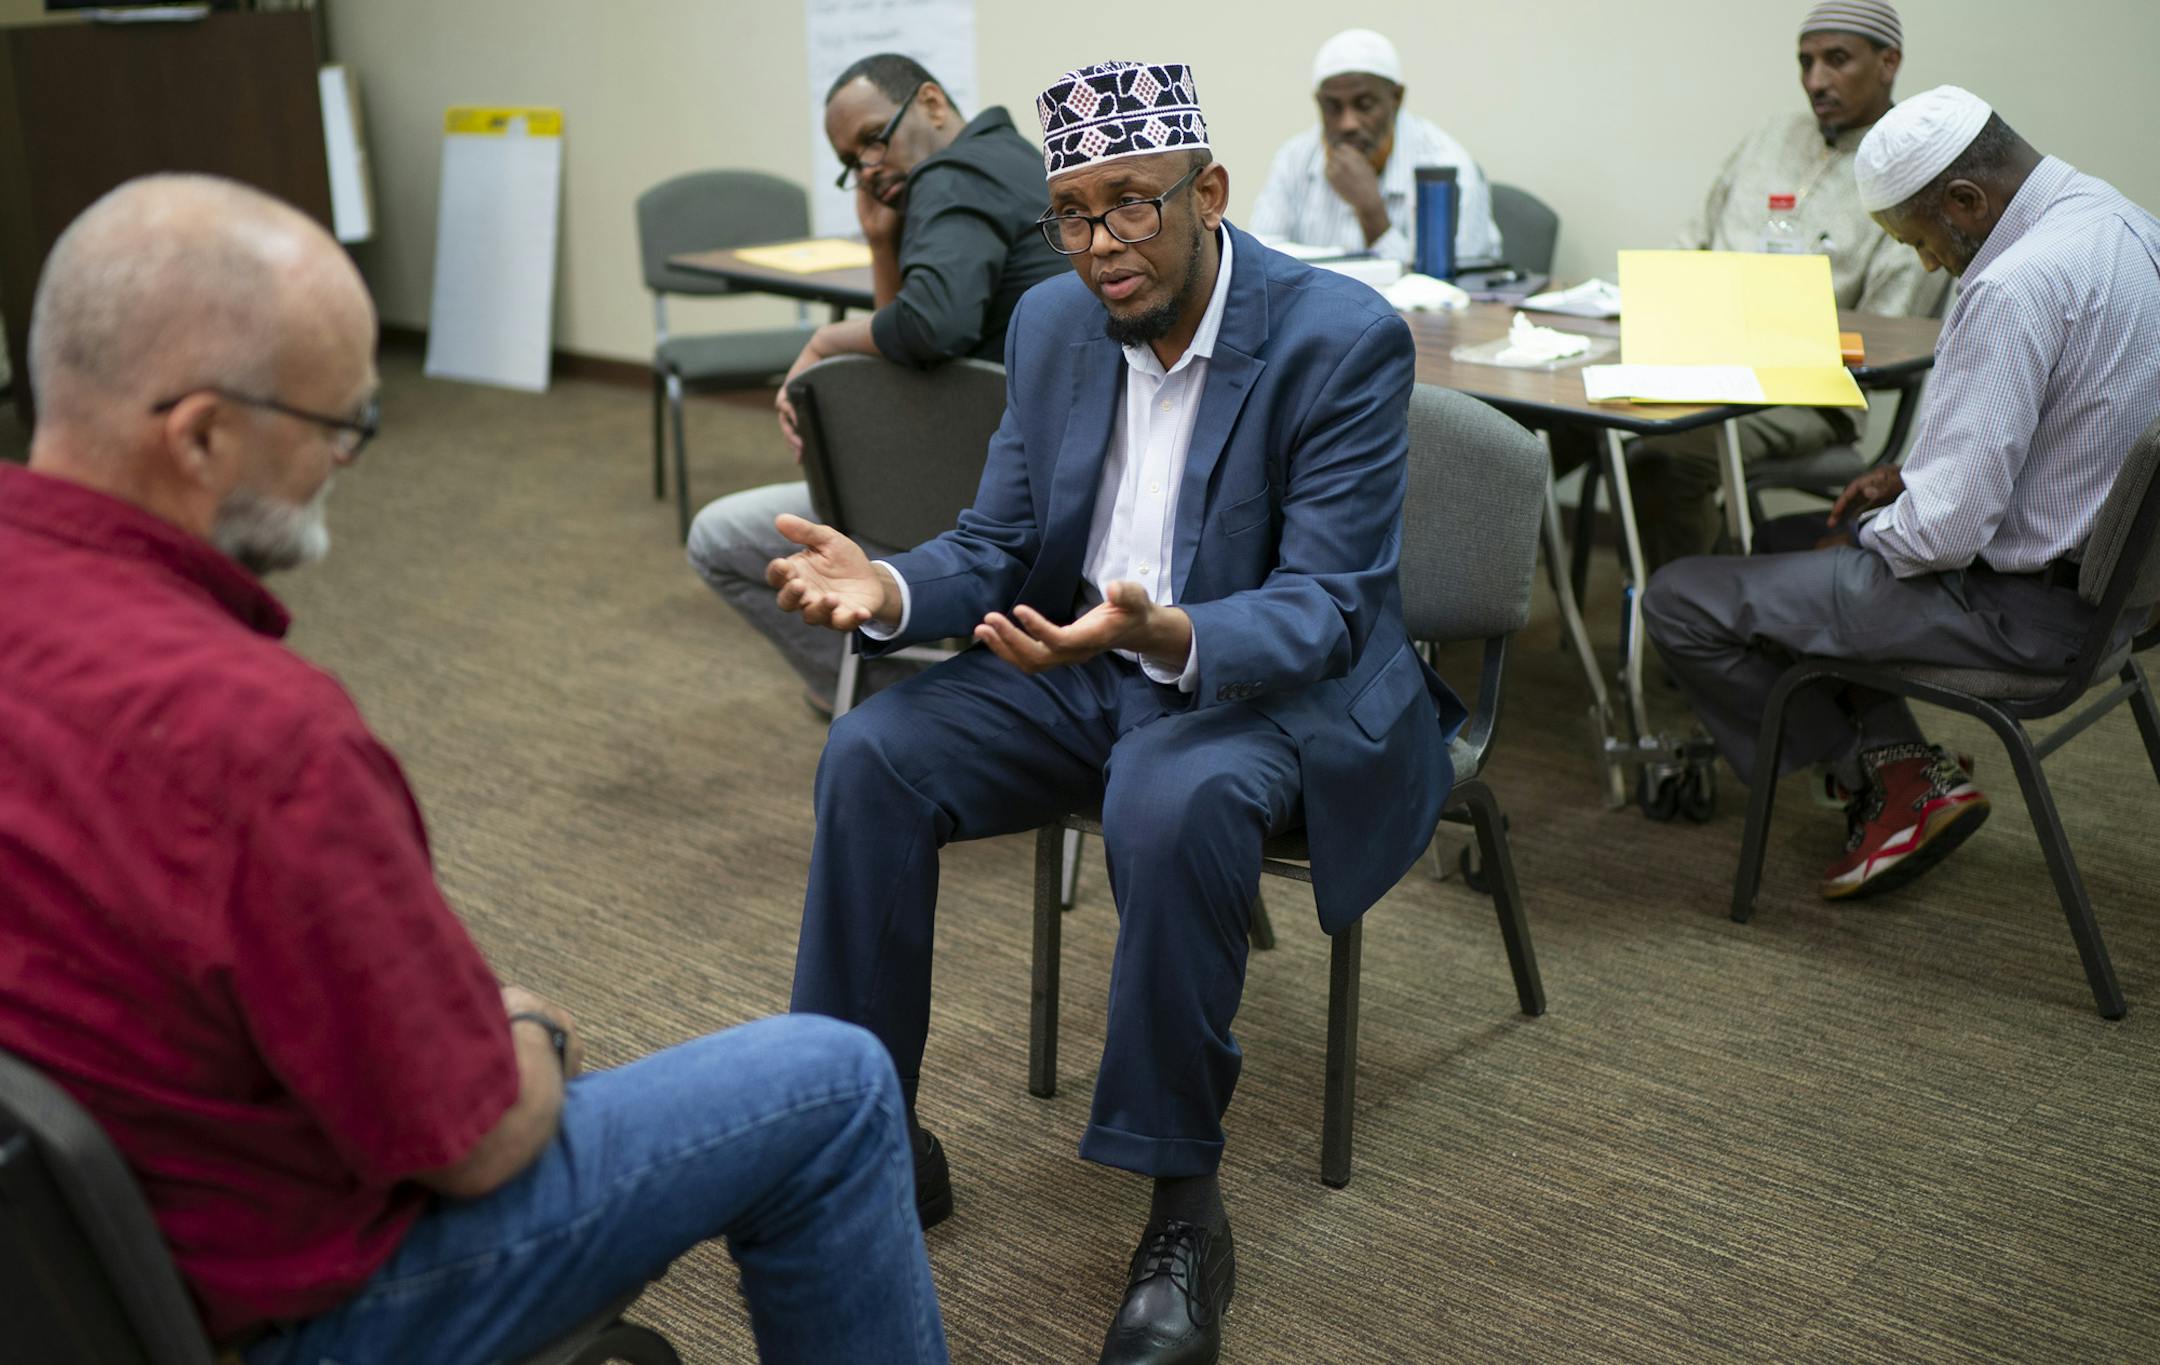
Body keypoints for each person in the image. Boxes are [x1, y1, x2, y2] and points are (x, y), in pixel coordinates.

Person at [0, 175, 946, 1365]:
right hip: (274, 1311)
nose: (346, 460)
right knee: (837, 1083)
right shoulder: (255, 737)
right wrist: (531, 1030)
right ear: (198, 433)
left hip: (56, 1288)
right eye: (338, 425)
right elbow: (480, 1143)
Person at [766, 60, 1463, 1365]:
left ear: (1207, 191)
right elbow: (1002, 536)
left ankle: (1185, 1215)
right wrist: (896, 582)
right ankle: (864, 1138)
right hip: (1087, 663)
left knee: (1168, 795)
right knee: (873, 755)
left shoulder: (1338, 337)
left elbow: (1329, 605)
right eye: (1072, 215)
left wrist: (1179, 630)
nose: (1099, 248)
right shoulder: (1048, 324)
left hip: (1271, 682)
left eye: (1131, 207)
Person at [1644, 88, 2160, 901]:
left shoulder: (2014, 285)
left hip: (2019, 613)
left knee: (1678, 598)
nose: (1924, 262)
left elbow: (1942, 535)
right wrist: (1910, 483)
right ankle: (1899, 760)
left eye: (1917, 239)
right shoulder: (2122, 223)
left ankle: (1880, 779)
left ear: (1965, 199)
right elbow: (2073, 425)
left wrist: (1869, 538)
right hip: (2118, 591)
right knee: (1778, 546)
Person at [687, 52, 1065, 712]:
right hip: (1042, 486)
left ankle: (894, 698)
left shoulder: (952, 174)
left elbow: (929, 326)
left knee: (715, 536)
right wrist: (880, 245)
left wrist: (825, 339)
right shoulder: (1016, 160)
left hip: (974, 504)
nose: (868, 167)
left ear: (933, 104)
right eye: (851, 161)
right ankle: (899, 693)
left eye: (872, 137)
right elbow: (915, 351)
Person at [1623, 0, 1953, 570]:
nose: (1815, 80)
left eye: (1836, 60)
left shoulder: (1908, 169)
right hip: (1699, 368)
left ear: (1888, 61)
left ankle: (1695, 631)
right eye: (1805, 63)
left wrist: (1772, 334)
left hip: (1809, 395)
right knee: (1565, 423)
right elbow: (1690, 248)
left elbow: (1885, 335)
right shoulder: (1771, 137)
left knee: (1664, 456)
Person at [1248, 28, 1502, 269]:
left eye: (1364, 105)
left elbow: (1454, 295)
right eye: (1333, 107)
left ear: (1396, 98)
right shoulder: (1294, 158)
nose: (1348, 123)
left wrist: (1371, 212)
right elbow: (1259, 259)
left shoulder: (1446, 168)